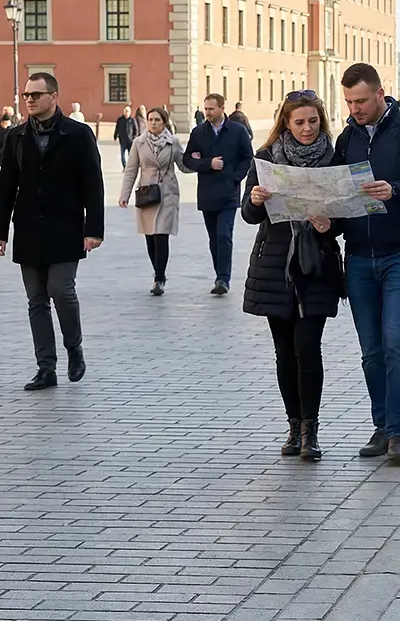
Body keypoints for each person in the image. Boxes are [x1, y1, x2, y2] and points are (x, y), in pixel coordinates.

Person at [334, 63, 400, 466]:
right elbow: (338, 192)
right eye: (348, 102)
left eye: (360, 101)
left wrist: (394, 191)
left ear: (381, 94)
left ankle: (399, 433)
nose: (354, 108)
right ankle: (381, 426)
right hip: (359, 254)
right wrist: (328, 218)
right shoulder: (347, 139)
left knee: (396, 339)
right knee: (371, 350)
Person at [242, 91, 345, 462]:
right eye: (299, 122)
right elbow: (249, 215)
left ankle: (310, 430)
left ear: (321, 121)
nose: (307, 128)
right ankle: (292, 425)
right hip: (275, 266)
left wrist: (329, 224)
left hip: (315, 266)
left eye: (313, 121)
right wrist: (254, 199)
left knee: (307, 349)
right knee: (284, 353)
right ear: (286, 122)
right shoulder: (267, 158)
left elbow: (345, 216)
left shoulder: (334, 159)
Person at [0, 73, 104, 390]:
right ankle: (46, 367)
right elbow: (5, 187)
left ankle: (74, 347)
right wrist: (1, 231)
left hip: (66, 227)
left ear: (53, 97)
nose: (29, 100)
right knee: (36, 301)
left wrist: (94, 229)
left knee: (61, 290)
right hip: (29, 229)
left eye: (36, 94)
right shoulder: (16, 137)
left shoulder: (78, 134)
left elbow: (93, 185)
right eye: (26, 95)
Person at [183, 93, 253, 295]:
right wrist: (207, 163)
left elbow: (247, 158)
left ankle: (224, 278)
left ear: (222, 108)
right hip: (207, 192)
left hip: (229, 192)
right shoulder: (198, 132)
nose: (207, 112)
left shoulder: (238, 131)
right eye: (205, 109)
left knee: (224, 235)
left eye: (211, 109)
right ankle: (219, 275)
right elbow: (188, 159)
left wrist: (234, 177)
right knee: (214, 238)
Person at [118, 107, 187, 295]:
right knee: (150, 236)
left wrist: (199, 161)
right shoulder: (139, 143)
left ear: (164, 122)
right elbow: (131, 170)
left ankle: (159, 277)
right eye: (150, 120)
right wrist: (125, 194)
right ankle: (157, 273)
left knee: (161, 235)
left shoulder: (173, 142)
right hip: (147, 193)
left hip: (167, 193)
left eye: (157, 120)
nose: (153, 123)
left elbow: (183, 165)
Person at [114, 104, 138, 168]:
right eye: (125, 111)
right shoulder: (120, 119)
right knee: (122, 154)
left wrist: (134, 138)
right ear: (123, 112)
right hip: (122, 140)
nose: (126, 112)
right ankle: (124, 166)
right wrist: (115, 136)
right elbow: (117, 128)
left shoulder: (132, 120)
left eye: (128, 111)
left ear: (130, 112)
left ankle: (130, 166)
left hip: (130, 140)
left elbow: (136, 130)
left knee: (131, 155)